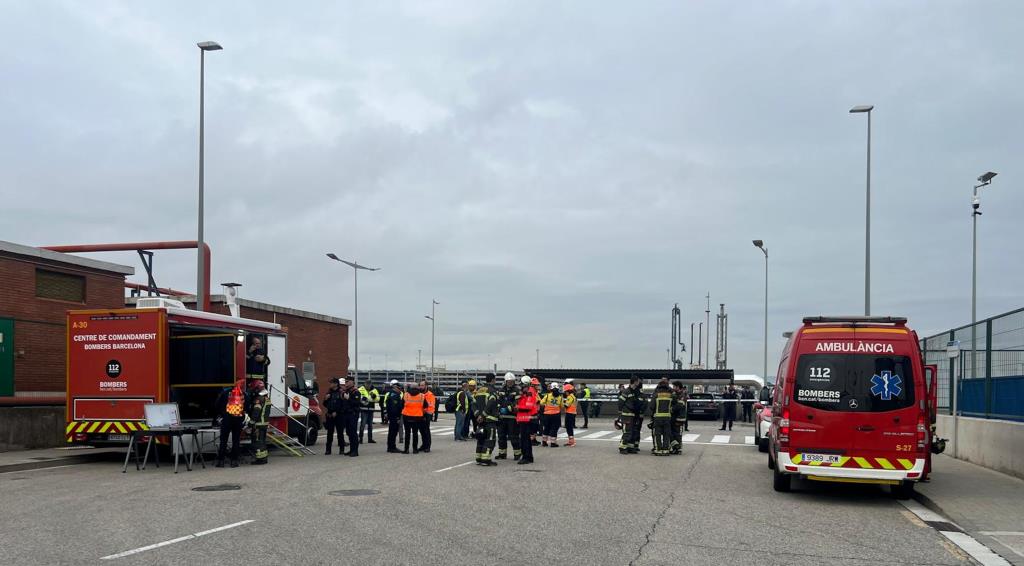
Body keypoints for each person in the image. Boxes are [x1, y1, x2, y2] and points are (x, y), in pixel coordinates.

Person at [214, 379, 247, 467]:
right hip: (238, 420)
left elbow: (217, 405)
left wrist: (222, 414)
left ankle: (221, 461)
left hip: (226, 420)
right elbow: (247, 406)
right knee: (236, 440)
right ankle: (234, 461)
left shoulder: (225, 393)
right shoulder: (243, 394)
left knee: (223, 441)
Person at [472, 378, 499, 466]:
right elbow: (490, 404)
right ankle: (486, 460)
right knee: (490, 439)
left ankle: (479, 458)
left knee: (481, 438)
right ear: (493, 380)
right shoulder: (492, 391)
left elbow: (473, 404)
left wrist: (478, 415)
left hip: (480, 420)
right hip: (489, 419)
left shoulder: (479, 390)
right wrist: (483, 415)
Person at [495, 373, 521, 460]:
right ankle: (502, 453)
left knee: (514, 437)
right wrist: (499, 408)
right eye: (508, 381)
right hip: (502, 417)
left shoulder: (517, 391)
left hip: (512, 417)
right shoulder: (501, 390)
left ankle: (517, 454)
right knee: (501, 436)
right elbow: (498, 401)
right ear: (505, 381)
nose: (510, 383)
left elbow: (517, 403)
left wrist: (508, 409)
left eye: (511, 381)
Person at [618, 376, 646, 454]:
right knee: (627, 431)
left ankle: (630, 447)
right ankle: (622, 447)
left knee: (633, 432)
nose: (639, 383)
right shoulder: (626, 391)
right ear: (635, 382)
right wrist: (620, 413)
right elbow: (620, 402)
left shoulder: (636, 391)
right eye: (638, 381)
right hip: (627, 415)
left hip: (634, 415)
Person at [515, 375, 539, 464]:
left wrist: (518, 407)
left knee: (524, 439)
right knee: (526, 439)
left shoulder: (530, 392)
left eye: (522, 384)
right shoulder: (526, 392)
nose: (520, 386)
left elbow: (528, 406)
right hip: (524, 418)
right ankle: (529, 457)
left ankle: (526, 457)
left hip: (526, 419)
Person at [339, 377, 362, 456]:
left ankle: (355, 451)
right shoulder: (346, 391)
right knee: (349, 432)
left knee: (353, 432)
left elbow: (356, 403)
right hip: (346, 414)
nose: (346, 383)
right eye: (346, 381)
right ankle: (352, 449)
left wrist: (348, 399)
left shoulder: (356, 392)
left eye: (347, 381)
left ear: (352, 382)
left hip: (353, 414)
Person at [401, 382, 427, 454]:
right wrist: (422, 413)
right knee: (415, 433)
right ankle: (415, 449)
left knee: (407, 433)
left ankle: (406, 449)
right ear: (418, 388)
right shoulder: (422, 396)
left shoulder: (405, 395)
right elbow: (425, 407)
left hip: (406, 416)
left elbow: (401, 405)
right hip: (417, 417)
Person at [649, 382, 674, 456]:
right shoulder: (670, 395)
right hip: (667, 417)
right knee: (667, 434)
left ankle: (658, 449)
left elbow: (651, 406)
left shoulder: (656, 395)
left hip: (658, 417)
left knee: (657, 434)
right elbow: (675, 403)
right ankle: (666, 450)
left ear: (659, 387)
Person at [250, 384, 271, 464]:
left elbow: (256, 412)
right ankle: (264, 458)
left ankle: (260, 459)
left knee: (258, 442)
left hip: (258, 424)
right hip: (264, 424)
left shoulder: (259, 399)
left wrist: (251, 423)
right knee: (262, 441)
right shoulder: (267, 398)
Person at [323, 378, 345, 455]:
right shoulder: (329, 392)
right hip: (330, 415)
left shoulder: (341, 392)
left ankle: (342, 449)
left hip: (339, 415)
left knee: (340, 433)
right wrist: (325, 399)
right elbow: (325, 404)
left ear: (336, 384)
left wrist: (337, 412)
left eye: (332, 383)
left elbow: (343, 405)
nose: (330, 384)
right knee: (329, 433)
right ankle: (328, 450)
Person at [384, 380, 405, 453]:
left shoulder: (391, 394)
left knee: (392, 432)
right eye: (399, 389)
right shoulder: (395, 396)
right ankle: (392, 447)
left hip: (392, 416)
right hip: (394, 417)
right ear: (395, 388)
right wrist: (397, 417)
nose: (400, 390)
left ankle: (390, 446)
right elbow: (394, 408)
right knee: (393, 432)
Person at [540, 383, 562, 447]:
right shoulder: (560, 397)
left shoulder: (547, 396)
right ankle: (553, 443)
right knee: (554, 428)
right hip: (556, 415)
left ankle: (544, 442)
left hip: (547, 415)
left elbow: (541, 403)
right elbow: (562, 406)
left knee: (546, 428)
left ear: (551, 389)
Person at [670, 381, 688, 455]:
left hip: (680, 418)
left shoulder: (682, 395)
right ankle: (675, 447)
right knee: (672, 433)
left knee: (678, 434)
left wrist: (671, 409)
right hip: (674, 417)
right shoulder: (674, 394)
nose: (673, 388)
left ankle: (678, 449)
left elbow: (679, 405)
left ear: (678, 387)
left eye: (674, 386)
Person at [420, 380, 435, 452]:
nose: (421, 387)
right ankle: (423, 445)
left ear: (426, 386)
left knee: (426, 431)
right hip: (420, 414)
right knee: (422, 431)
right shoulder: (420, 394)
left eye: (422, 385)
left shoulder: (430, 394)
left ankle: (427, 446)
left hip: (427, 414)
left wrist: (426, 412)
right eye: (420, 385)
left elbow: (430, 405)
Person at [562, 382, 578, 447]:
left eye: (565, 391)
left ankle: (572, 442)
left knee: (569, 427)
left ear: (568, 391)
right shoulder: (572, 396)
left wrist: (562, 403)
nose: (565, 393)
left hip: (570, 413)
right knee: (569, 427)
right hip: (571, 413)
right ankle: (571, 441)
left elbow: (566, 405)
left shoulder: (570, 397)